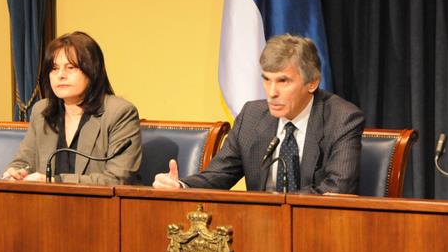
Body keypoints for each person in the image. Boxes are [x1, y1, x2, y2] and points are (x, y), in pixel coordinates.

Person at [153, 34, 365, 194]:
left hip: (317, 227)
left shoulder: (342, 118)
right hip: (258, 227)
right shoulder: (251, 116)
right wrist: (181, 185)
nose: (272, 92)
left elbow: (338, 188)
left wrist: (278, 203)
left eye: (283, 81)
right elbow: (219, 175)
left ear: (312, 83)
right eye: (266, 80)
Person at [3, 31, 142, 185]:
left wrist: (55, 181)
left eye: (70, 67)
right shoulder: (41, 111)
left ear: (92, 71)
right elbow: (23, 162)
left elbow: (118, 179)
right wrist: (17, 173)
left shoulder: (120, 113)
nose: (60, 75)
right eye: (54, 68)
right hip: (45, 200)